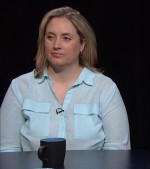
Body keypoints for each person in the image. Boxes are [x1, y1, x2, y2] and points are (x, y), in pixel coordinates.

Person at [0, 6, 130, 152]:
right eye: (50, 37)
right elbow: (7, 150)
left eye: (66, 38)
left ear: (82, 44)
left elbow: (118, 151)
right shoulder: (20, 87)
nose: (56, 45)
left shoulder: (104, 88)